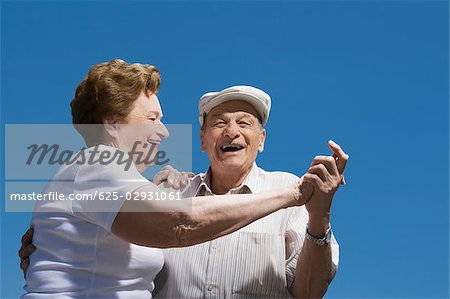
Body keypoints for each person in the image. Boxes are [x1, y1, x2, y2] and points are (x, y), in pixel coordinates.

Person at [18, 60, 314, 298]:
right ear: (111, 123)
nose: (165, 131)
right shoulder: (98, 162)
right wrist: (293, 194)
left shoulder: (111, 178)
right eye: (152, 119)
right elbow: (178, 223)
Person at [151, 86, 348, 298]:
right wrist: (145, 191)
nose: (232, 132)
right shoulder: (170, 193)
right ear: (202, 140)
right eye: (219, 122)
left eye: (244, 123)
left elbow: (309, 292)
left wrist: (320, 216)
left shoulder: (291, 191)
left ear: (261, 139)